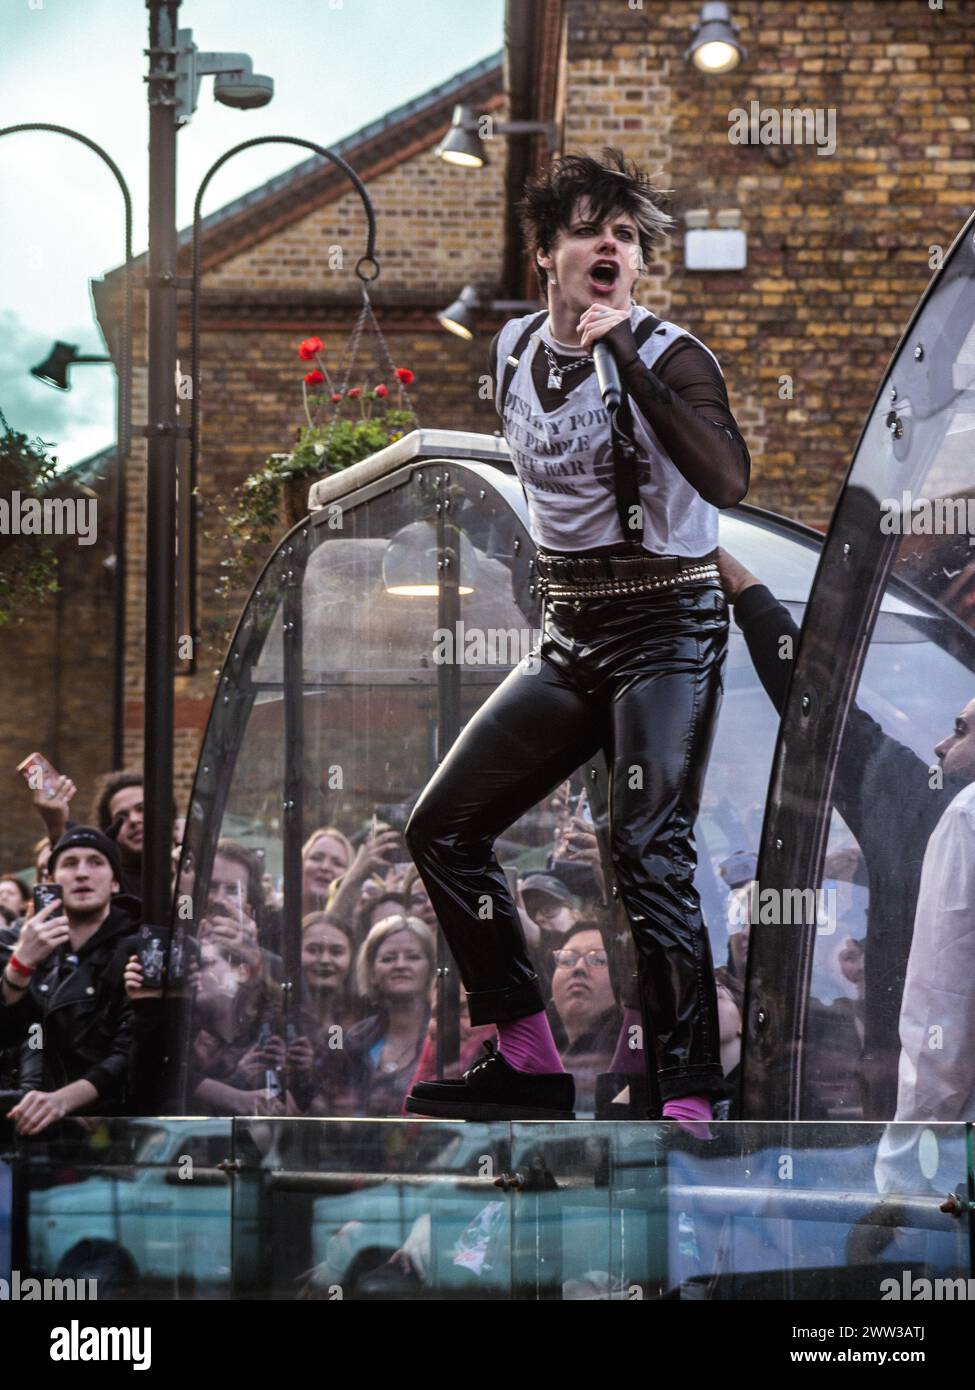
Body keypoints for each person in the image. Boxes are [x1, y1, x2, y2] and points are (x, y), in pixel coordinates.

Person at [405, 148, 749, 1123]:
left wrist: (627, 363)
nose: (613, 245)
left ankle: (688, 1091)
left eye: (629, 236)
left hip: (667, 628)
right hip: (570, 631)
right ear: (546, 255)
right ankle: (523, 1050)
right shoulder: (511, 350)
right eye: (592, 229)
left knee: (647, 847)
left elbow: (727, 482)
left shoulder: (670, 353)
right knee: (442, 824)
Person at [0, 827, 142, 1134]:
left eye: (95, 862)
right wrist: (20, 967)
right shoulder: (23, 943)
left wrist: (62, 1100)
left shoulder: (137, 946)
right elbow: (11, 1036)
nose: (82, 874)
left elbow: (130, 1052)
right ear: (50, 882)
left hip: (111, 1128)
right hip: (29, 1129)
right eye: (69, 863)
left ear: (115, 881)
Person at [346, 914, 435, 1117]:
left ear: (431, 968)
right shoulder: (357, 1038)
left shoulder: (447, 1034)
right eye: (388, 958)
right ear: (371, 973)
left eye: (413, 957)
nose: (400, 965)